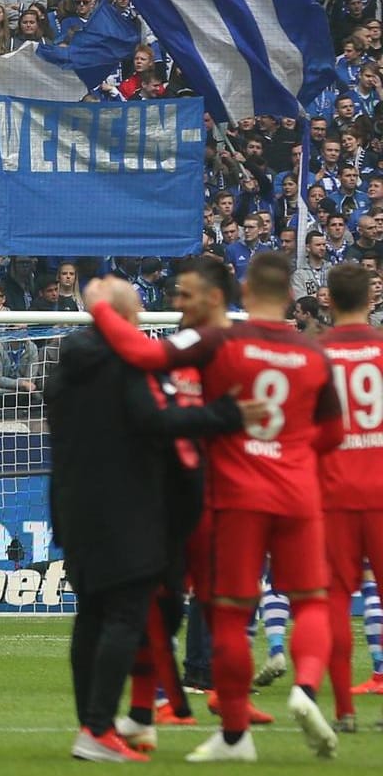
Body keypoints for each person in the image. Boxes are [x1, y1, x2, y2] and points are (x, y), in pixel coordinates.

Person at [89, 253, 345, 761]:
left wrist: (99, 309)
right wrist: (292, 454)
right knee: (304, 601)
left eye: (186, 293)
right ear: (290, 297)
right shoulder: (311, 353)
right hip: (279, 492)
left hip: (228, 495)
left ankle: (227, 726)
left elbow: (142, 358)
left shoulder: (219, 341)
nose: (180, 301)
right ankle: (299, 690)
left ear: (237, 294)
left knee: (219, 613)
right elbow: (332, 432)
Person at [47, 278, 267, 762]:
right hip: (128, 510)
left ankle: (93, 724)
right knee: (126, 617)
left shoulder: (65, 367)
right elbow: (157, 423)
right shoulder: (127, 365)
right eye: (141, 304)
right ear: (125, 316)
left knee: (91, 618)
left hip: (73, 507)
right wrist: (224, 415)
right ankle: (101, 728)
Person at [314, 263, 383, 731]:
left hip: (334, 491)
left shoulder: (315, 355)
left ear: (329, 301)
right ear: (372, 301)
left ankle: (343, 710)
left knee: (335, 600)